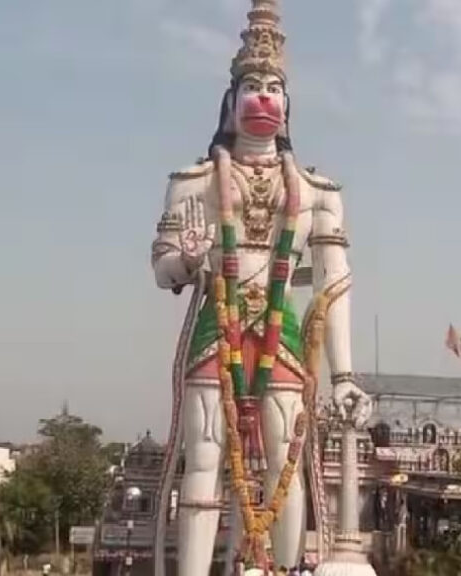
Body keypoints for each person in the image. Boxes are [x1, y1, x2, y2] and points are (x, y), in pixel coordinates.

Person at [151, 1, 371, 574]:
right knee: (202, 461)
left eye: (275, 86)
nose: (265, 96)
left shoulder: (317, 191)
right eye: (253, 85)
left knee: (286, 464)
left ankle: (284, 568)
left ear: (289, 105)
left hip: (284, 333)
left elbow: (334, 283)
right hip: (215, 329)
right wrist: (189, 259)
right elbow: (162, 268)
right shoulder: (193, 182)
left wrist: (345, 375)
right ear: (231, 101)